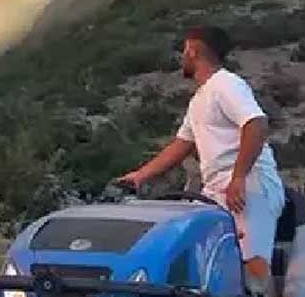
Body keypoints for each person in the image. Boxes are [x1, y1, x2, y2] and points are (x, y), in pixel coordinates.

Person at [116, 26, 284, 297]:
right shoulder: (199, 99)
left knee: (253, 266)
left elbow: (256, 123)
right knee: (205, 262)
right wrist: (140, 175)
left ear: (193, 51)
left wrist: (238, 178)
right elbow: (181, 145)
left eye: (184, 51)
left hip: (249, 186)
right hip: (215, 191)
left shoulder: (226, 84)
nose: (182, 57)